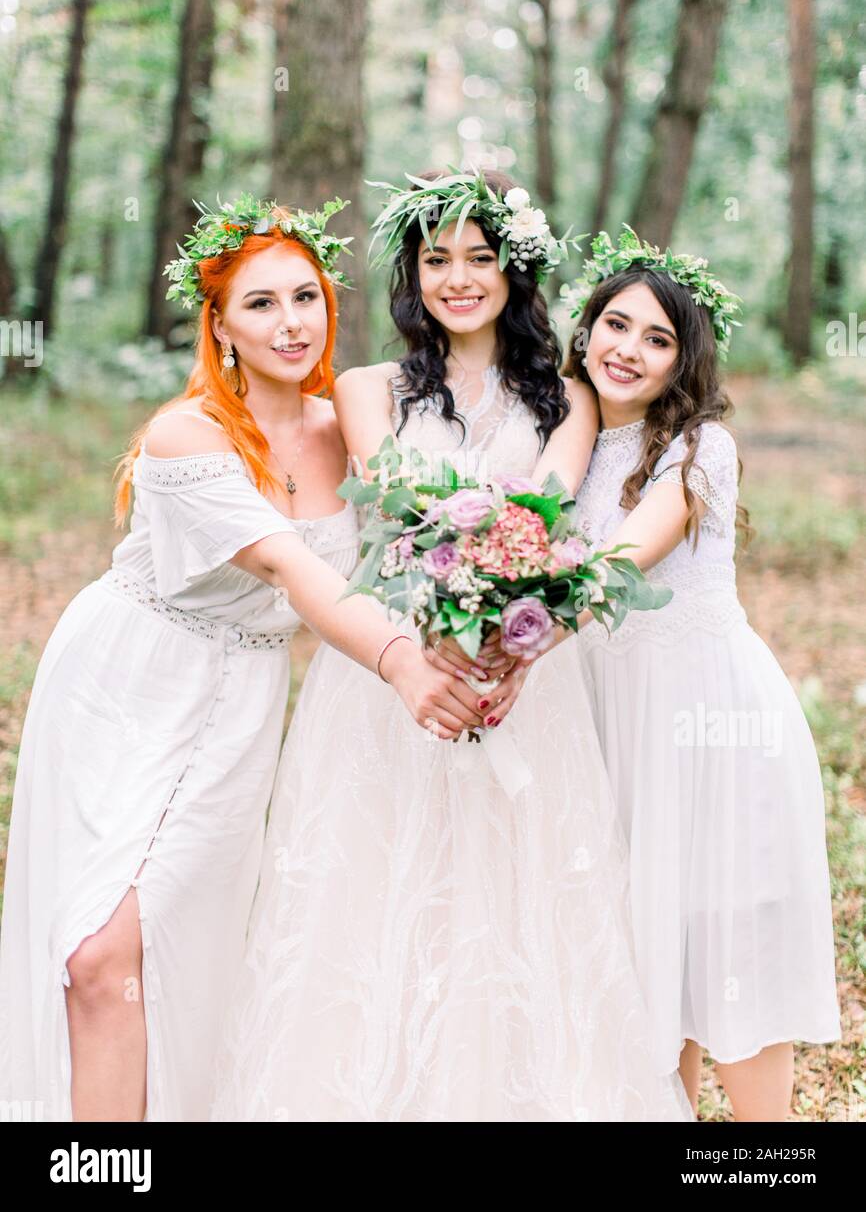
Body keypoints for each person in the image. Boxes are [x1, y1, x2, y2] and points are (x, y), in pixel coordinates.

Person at [210, 172, 693, 1122]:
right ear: (413, 273)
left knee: (516, 912)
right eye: (438, 259)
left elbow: (546, 521)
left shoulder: (567, 399)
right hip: (393, 670)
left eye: (480, 257)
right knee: (370, 907)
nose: (459, 278)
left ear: (513, 267)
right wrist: (438, 635)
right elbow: (394, 508)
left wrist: (510, 640)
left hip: (521, 676)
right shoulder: (363, 389)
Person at [0, 196, 495, 1122]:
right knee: (95, 956)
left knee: (172, 945)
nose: (292, 323)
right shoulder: (188, 434)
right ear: (218, 323)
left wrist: (490, 632)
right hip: (130, 681)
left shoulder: (348, 426)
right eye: (260, 304)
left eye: (305, 297)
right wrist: (397, 665)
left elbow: (423, 534)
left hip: (241, 708)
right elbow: (287, 562)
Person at [559, 228, 842, 1119]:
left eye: (657, 338)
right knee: (645, 970)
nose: (628, 350)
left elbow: (624, 559)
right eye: (615, 324)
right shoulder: (565, 445)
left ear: (685, 360)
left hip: (709, 725)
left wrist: (501, 584)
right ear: (586, 330)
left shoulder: (697, 449)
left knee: (728, 959)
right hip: (614, 724)